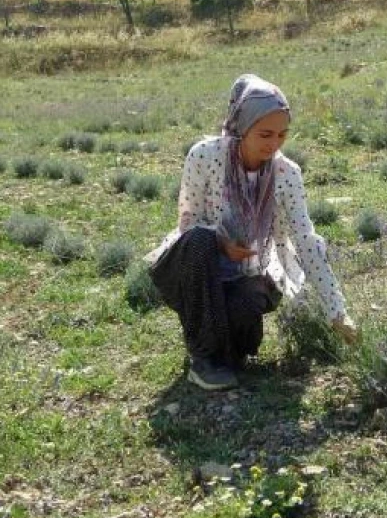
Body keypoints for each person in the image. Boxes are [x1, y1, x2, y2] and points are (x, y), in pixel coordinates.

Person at [146, 74, 358, 391]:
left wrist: (337, 312)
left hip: (251, 272)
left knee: (242, 330)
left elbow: (305, 239)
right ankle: (203, 360)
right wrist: (222, 243)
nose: (274, 145)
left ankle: (224, 352)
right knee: (201, 240)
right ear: (242, 128)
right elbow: (187, 222)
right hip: (197, 270)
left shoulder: (286, 174)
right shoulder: (204, 156)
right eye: (265, 134)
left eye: (282, 135)